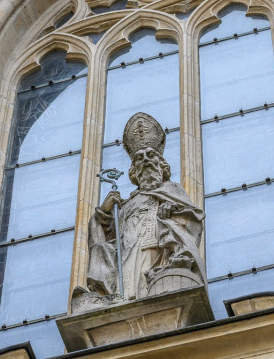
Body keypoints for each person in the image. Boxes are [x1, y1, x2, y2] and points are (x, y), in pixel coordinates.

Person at [72, 112, 205, 312]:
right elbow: (109, 235)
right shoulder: (127, 204)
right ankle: (113, 297)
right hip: (128, 251)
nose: (146, 161)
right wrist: (104, 213)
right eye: (139, 159)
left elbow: (191, 220)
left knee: (148, 282)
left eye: (151, 156)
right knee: (124, 281)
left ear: (162, 166)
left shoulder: (172, 191)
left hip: (156, 251)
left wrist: (171, 213)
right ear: (134, 171)